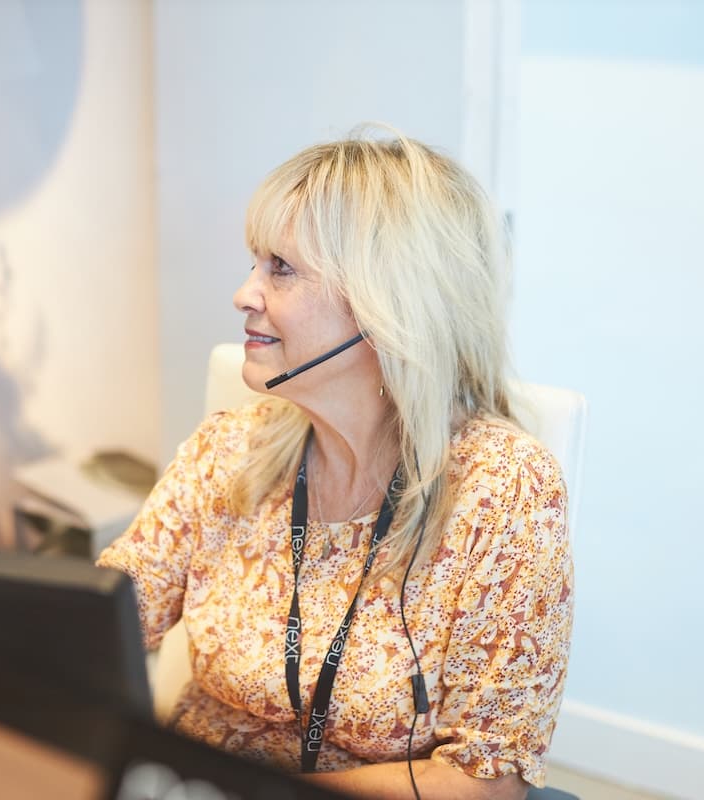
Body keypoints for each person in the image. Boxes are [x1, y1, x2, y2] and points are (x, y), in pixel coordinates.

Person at [98, 127, 573, 800]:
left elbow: (482, 783)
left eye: (280, 268)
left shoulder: (501, 489)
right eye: (254, 263)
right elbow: (98, 624)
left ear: (388, 303)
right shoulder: (227, 450)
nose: (244, 293)